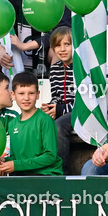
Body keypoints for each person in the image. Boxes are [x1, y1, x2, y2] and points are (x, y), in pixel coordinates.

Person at [0, 72, 63, 176]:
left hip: (45, 175)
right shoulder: (12, 124)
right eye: (21, 93)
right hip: (23, 175)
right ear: (13, 95)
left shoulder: (45, 120)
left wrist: (16, 165)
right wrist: (4, 162)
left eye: (31, 93)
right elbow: (16, 156)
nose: (26, 98)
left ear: (38, 94)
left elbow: (50, 156)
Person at [42, 26, 76, 166]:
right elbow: (56, 94)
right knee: (38, 120)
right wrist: (51, 107)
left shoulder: (80, 68)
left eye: (67, 44)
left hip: (80, 111)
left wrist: (60, 110)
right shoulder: (55, 69)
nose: (62, 49)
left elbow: (84, 100)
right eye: (58, 45)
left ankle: (61, 170)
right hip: (63, 110)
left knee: (58, 126)